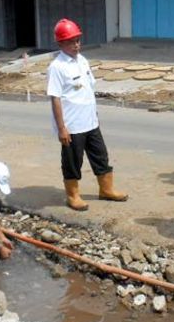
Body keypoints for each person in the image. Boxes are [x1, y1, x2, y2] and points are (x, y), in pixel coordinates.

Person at [47, 18, 127, 211]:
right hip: (72, 126)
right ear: (60, 43)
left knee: (101, 156)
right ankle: (73, 195)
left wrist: (95, 114)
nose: (76, 45)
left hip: (90, 121)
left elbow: (88, 90)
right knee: (73, 161)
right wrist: (61, 128)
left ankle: (106, 189)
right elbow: (55, 98)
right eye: (71, 41)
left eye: (77, 40)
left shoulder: (82, 61)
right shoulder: (57, 67)